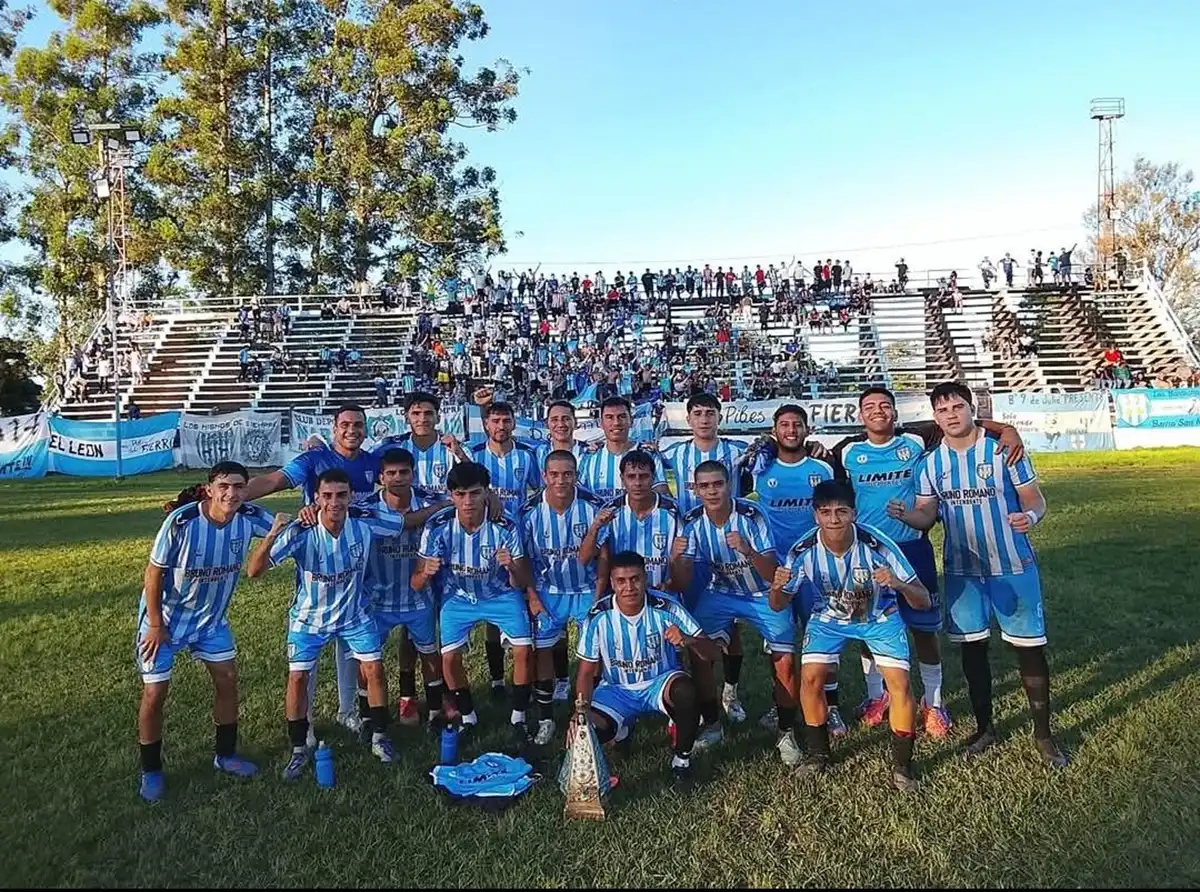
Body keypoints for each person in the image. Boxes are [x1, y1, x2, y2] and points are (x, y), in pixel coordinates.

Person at [827, 387, 1024, 737]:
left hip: (912, 548)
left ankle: (934, 703)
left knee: (923, 629)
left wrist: (1006, 430)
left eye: (885, 406)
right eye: (870, 407)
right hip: (866, 553)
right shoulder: (847, 451)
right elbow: (814, 466)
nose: (878, 411)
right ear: (861, 415)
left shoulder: (916, 439)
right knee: (867, 626)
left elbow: (966, 422)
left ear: (894, 412)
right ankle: (878, 697)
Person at [899, 382, 1068, 767]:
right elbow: (928, 513)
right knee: (973, 651)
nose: (951, 415)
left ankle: (1043, 734)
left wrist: (1031, 517)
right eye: (943, 410)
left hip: (1012, 566)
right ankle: (985, 727)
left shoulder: (1004, 449)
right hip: (963, 573)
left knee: (1029, 650)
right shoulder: (930, 463)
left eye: (958, 407)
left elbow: (1033, 499)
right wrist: (908, 516)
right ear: (936, 417)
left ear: (971, 408)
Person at [244, 405, 438, 733]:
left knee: (352, 640)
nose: (352, 430)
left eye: (358, 425)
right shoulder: (313, 460)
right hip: (320, 556)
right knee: (313, 636)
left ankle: (348, 709)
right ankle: (303, 719)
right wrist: (231, 496)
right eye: (345, 425)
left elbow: (399, 475)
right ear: (334, 428)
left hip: (365, 561)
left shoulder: (373, 460)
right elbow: (273, 481)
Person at [248, 469, 408, 780]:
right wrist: (272, 535)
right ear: (317, 498)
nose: (335, 502)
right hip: (310, 619)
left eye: (342, 495)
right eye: (328, 496)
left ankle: (378, 736)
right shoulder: (301, 531)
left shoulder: (364, 523)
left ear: (350, 496)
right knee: (297, 678)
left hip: (354, 615)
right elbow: (254, 571)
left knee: (374, 670)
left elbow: (404, 520)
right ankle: (298, 748)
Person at [772, 481, 930, 791]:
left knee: (899, 683)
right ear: (815, 515)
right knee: (811, 679)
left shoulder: (878, 545)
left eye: (841, 512)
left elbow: (922, 599)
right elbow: (778, 604)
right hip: (828, 618)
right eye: (826, 512)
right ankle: (819, 754)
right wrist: (777, 586)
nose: (834, 520)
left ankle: (902, 766)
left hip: (879, 617)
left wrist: (898, 584)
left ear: (853, 514)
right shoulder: (802, 550)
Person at [134, 463, 273, 802]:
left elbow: (290, 527)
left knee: (227, 681)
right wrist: (155, 624)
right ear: (210, 489)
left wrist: (312, 514)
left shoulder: (249, 516)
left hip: (211, 623)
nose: (232, 493)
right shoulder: (181, 522)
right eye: (224, 486)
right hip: (165, 621)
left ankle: (225, 755)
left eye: (239, 487)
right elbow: (153, 575)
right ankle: (151, 770)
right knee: (155, 694)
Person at [673, 462, 800, 765]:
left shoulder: (751, 515)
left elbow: (772, 574)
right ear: (696, 489)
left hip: (762, 592)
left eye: (717, 484)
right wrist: (676, 559)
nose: (712, 491)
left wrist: (748, 551)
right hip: (722, 591)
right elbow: (681, 582)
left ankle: (785, 732)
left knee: (784, 662)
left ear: (728, 484)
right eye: (704, 486)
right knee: (699, 649)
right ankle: (713, 725)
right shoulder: (691, 522)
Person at [412, 462, 536, 749]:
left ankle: (518, 716)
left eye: (475, 493)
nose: (468, 501)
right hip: (458, 597)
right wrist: (425, 572)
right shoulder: (437, 526)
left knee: (523, 651)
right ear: (451, 495)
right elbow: (415, 583)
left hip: (500, 594)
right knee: (449, 660)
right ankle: (468, 716)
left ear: (486, 494)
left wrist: (512, 568)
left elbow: (522, 580)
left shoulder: (505, 525)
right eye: (461, 494)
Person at [573, 552, 719, 785]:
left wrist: (688, 640)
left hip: (659, 683)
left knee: (686, 692)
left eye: (635, 579)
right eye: (621, 581)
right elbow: (586, 672)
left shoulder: (667, 606)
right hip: (617, 689)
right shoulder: (597, 616)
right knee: (584, 733)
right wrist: (580, 714)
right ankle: (620, 731)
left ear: (645, 578)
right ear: (612, 583)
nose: (629, 587)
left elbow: (713, 652)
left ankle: (682, 762)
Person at [741, 405, 840, 733]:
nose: (791, 430)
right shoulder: (761, 469)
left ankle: (832, 706)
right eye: (784, 425)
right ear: (775, 430)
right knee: (781, 642)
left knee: (824, 636)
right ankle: (780, 704)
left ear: (807, 429)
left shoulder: (822, 469)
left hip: (816, 567)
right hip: (777, 570)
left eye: (797, 424)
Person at [657, 393, 751, 724]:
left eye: (710, 413)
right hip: (692, 550)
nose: (704, 419)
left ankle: (731, 691)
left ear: (719, 417)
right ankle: (685, 689)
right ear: (688, 419)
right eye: (697, 413)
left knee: (733, 627)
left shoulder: (738, 452)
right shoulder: (672, 454)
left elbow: (770, 452)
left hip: (730, 547)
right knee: (688, 623)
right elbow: (655, 481)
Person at [519, 450, 607, 744]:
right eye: (554, 474)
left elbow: (604, 555)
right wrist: (532, 596)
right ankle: (546, 719)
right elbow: (525, 560)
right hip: (549, 590)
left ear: (576, 475)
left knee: (595, 653)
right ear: (544, 477)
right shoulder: (529, 511)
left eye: (567, 474)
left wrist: (598, 596)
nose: (561, 480)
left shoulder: (592, 506)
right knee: (542, 651)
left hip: (585, 589)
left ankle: (591, 713)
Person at [357, 448, 447, 727]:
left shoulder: (434, 502)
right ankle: (367, 715)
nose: (398, 478)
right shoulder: (365, 508)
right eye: (391, 473)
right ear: (381, 477)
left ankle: (434, 712)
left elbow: (464, 501)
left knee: (428, 652)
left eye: (404, 472)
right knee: (368, 659)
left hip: (418, 596)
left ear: (413, 473)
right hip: (377, 599)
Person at [469, 401, 542, 698]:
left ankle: (530, 668)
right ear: (486, 424)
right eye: (495, 421)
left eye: (506, 420)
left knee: (523, 599)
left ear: (514, 423)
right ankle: (498, 678)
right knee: (490, 604)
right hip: (484, 540)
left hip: (520, 538)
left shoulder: (527, 455)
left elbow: (539, 492)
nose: (501, 426)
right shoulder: (474, 455)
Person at [581, 450, 683, 593]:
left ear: (653, 478)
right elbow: (584, 559)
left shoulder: (672, 510)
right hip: (622, 595)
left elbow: (682, 560)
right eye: (631, 477)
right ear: (622, 479)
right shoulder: (611, 511)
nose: (637, 483)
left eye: (643, 477)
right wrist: (594, 529)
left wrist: (669, 585)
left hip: (663, 593)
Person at [578, 396, 668, 500]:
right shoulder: (588, 457)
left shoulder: (649, 454)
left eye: (622, 417)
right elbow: (578, 495)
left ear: (631, 421)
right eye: (609, 417)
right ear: (601, 423)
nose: (616, 423)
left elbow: (661, 494)